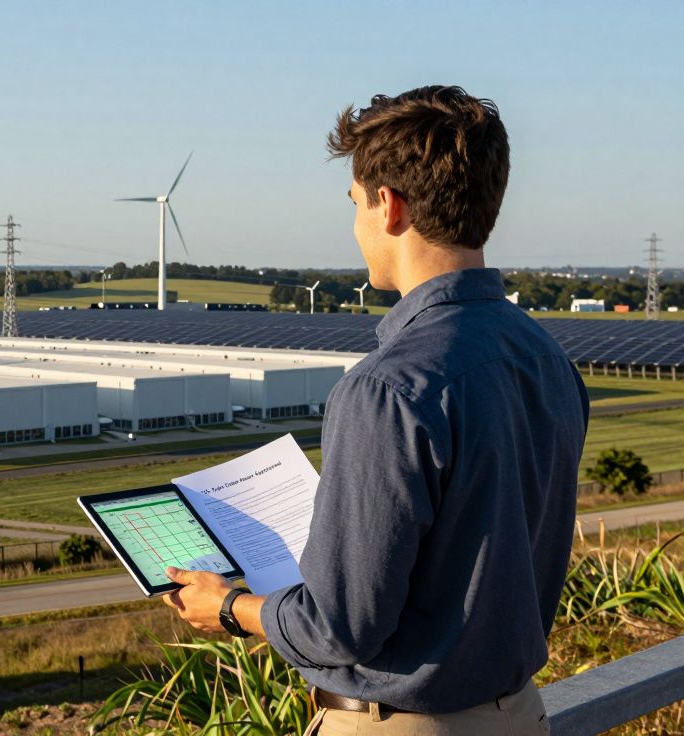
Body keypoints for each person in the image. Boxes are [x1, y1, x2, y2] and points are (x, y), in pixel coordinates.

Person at [163, 85, 589, 735]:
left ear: (389, 206)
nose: (356, 223)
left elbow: (341, 629)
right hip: (520, 715)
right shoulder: (545, 359)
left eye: (355, 203)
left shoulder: (388, 389)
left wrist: (230, 608)